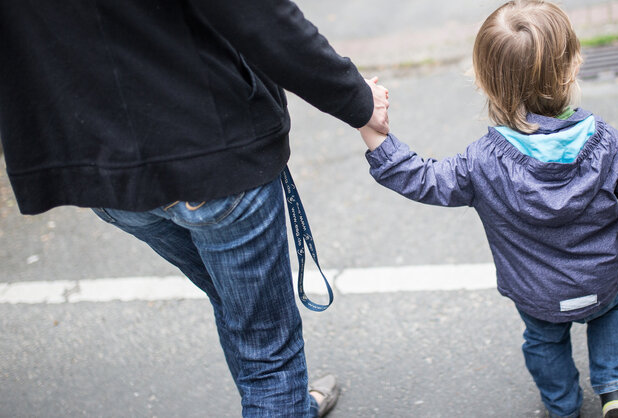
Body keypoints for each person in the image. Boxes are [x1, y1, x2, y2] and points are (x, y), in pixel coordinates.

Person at [0, 1, 389, 416]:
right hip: (209, 149)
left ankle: (287, 405)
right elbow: (259, 16)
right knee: (267, 353)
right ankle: (282, 404)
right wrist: (357, 99)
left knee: (235, 302)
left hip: (101, 169)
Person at [358, 1, 618, 417]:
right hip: (600, 280)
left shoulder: (482, 161)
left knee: (544, 341)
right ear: (573, 67)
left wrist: (374, 133)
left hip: (535, 294)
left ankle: (562, 407)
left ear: (484, 81)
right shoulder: (611, 145)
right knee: (611, 313)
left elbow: (424, 179)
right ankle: (617, 390)